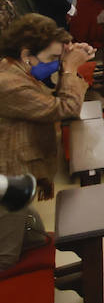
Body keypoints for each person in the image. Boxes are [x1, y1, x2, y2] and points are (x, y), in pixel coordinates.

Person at [0, 14, 93, 200]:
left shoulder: (15, 69)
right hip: (12, 175)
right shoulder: (9, 83)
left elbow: (54, 97)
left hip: (18, 169)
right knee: (17, 223)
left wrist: (66, 59)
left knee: (30, 223)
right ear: (26, 54)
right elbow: (66, 108)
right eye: (51, 57)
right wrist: (70, 68)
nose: (54, 63)